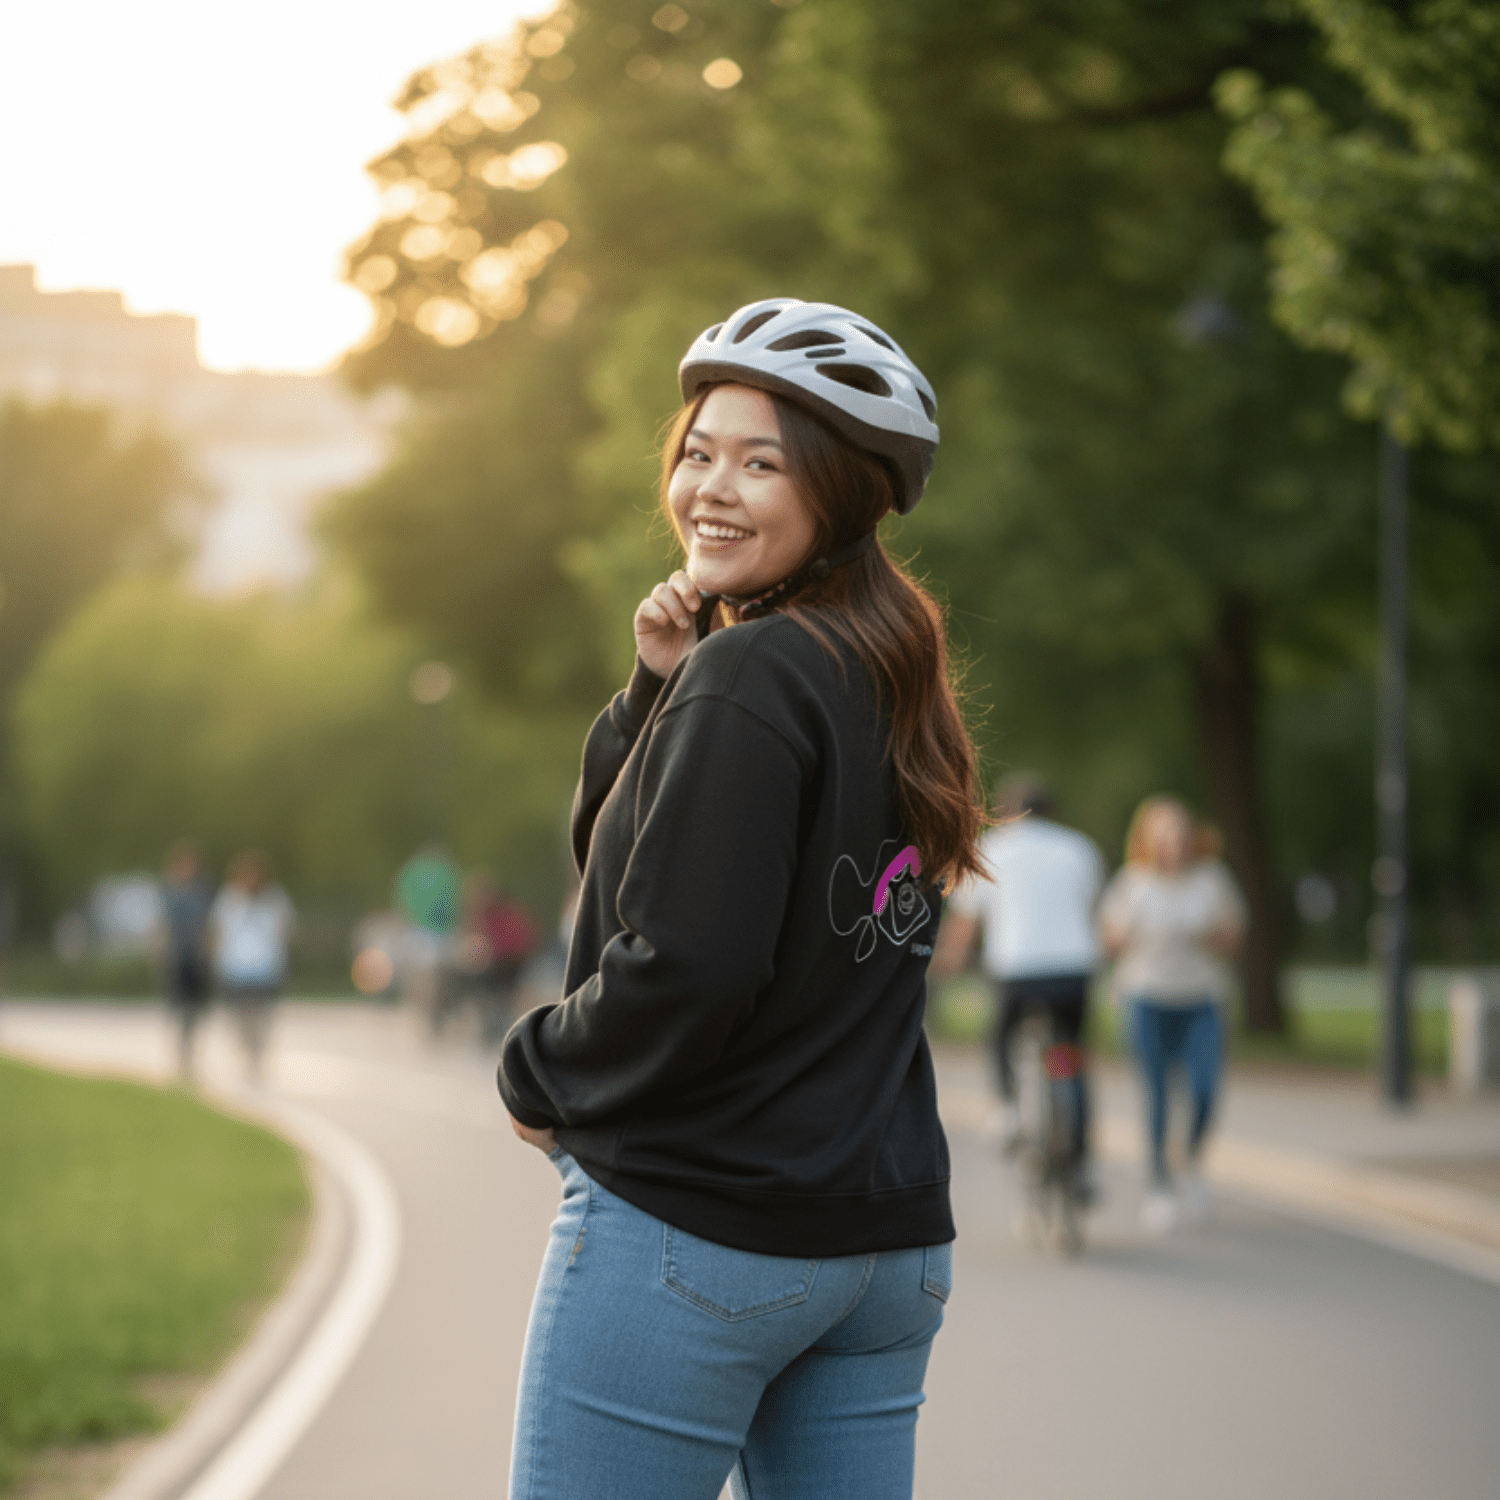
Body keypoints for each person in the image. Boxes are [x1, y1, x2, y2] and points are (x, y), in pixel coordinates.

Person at [497, 298, 985, 1500]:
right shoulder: (886, 670)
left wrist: (535, 1068)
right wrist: (653, 687)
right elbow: (640, 861)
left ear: (841, 493)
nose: (711, 487)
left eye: (761, 463)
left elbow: (687, 960)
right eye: (700, 452)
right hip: (883, 1253)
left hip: (706, 1229)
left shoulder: (754, 672)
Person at [932, 775, 1105, 1170]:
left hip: (1017, 972)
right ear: (1052, 812)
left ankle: (1010, 1108)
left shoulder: (991, 849)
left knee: (1001, 1037)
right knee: (1069, 1053)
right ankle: (1080, 1159)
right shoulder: (1078, 847)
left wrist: (947, 963)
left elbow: (966, 923)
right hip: (1071, 971)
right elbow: (1092, 907)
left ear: (1006, 814)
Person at [1099, 795, 1246, 1234]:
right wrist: (1119, 937)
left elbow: (1235, 937)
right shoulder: (1132, 883)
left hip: (1202, 998)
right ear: (1148, 840)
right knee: (1158, 1092)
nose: (1174, 843)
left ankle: (1192, 1162)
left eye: (1180, 833)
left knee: (1204, 1090)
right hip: (1147, 997)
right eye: (1164, 835)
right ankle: (1160, 1183)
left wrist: (1210, 934)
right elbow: (1109, 940)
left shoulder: (1212, 880)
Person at [210, 849, 295, 1081]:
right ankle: (246, 1047)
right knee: (239, 1018)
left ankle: (256, 1056)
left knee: (262, 1017)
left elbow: (285, 930)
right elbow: (218, 931)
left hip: (265, 968)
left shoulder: (275, 900)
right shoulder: (229, 899)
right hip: (236, 968)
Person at [155, 838, 214, 1080]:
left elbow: (211, 923)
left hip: (197, 957)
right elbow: (161, 924)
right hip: (176, 956)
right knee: (177, 1005)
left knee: (195, 1007)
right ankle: (180, 1052)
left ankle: (189, 1049)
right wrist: (159, 948)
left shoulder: (204, 891)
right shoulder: (168, 891)